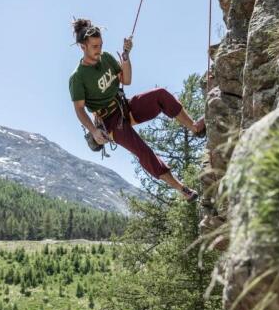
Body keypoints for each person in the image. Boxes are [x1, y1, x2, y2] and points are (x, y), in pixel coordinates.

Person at [69, 19, 206, 202]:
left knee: (160, 94)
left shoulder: (107, 58)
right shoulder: (78, 77)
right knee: (142, 150)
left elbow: (126, 80)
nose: (99, 50)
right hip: (110, 122)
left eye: (100, 45)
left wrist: (125, 57)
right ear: (82, 47)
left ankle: (195, 127)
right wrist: (93, 131)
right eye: (94, 46)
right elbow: (79, 110)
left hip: (124, 107)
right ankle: (182, 189)